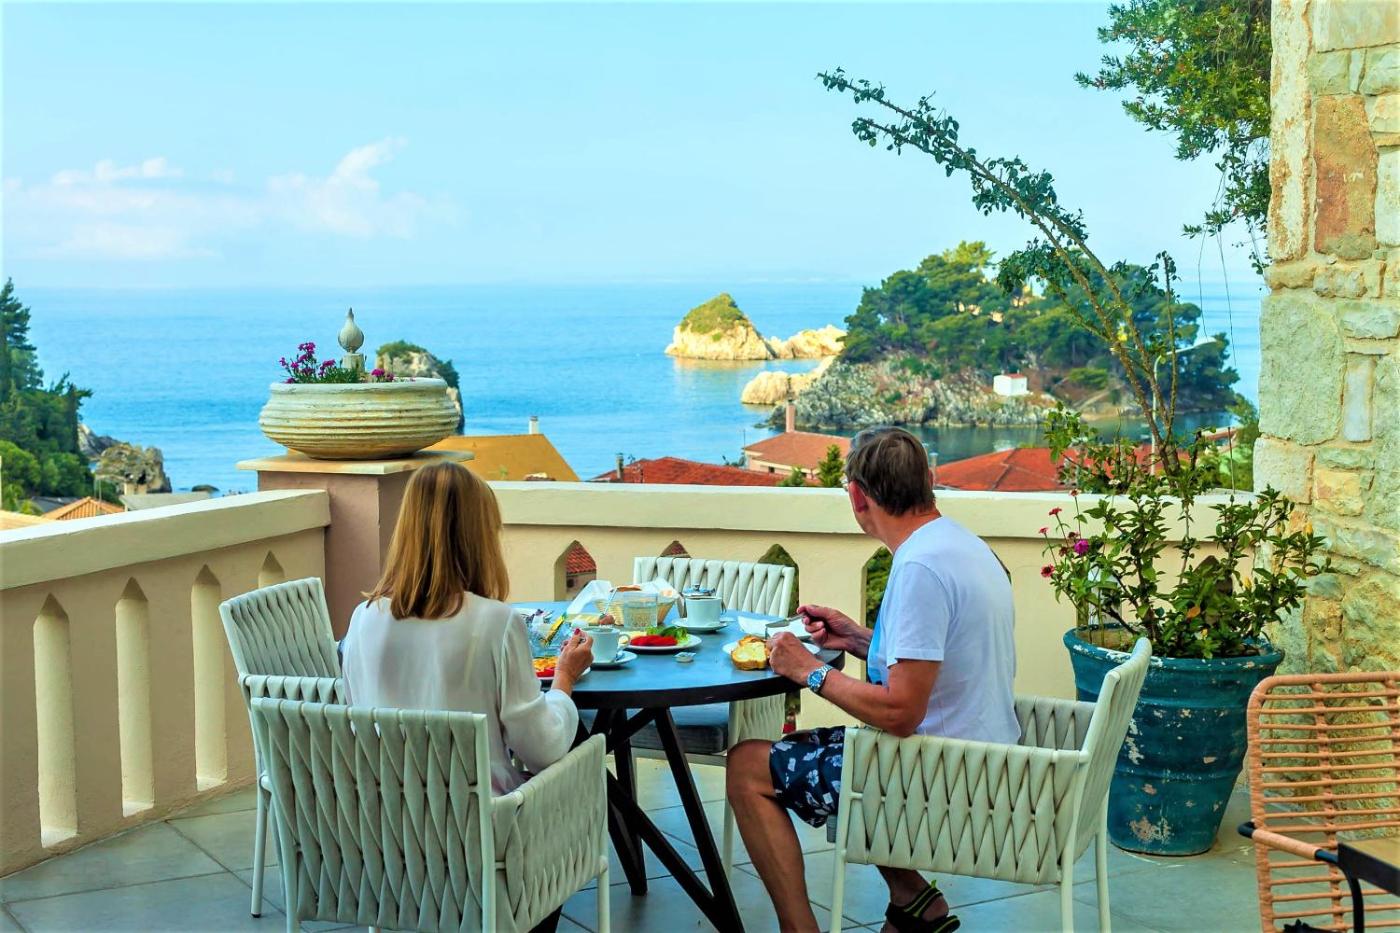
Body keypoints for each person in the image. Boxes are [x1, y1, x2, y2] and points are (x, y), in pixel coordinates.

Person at [726, 426, 1018, 933]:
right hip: (983, 757)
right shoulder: (959, 545)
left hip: (939, 777)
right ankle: (914, 900)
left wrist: (808, 670)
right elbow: (935, 663)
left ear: (858, 497)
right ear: (928, 482)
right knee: (832, 747)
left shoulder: (920, 569)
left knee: (747, 766)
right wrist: (859, 639)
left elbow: (900, 714)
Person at [340, 460, 594, 795]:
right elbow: (541, 751)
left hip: (388, 817)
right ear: (479, 537)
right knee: (590, 762)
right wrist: (564, 678)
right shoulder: (496, 623)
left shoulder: (362, 619)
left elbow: (360, 722)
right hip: (480, 821)